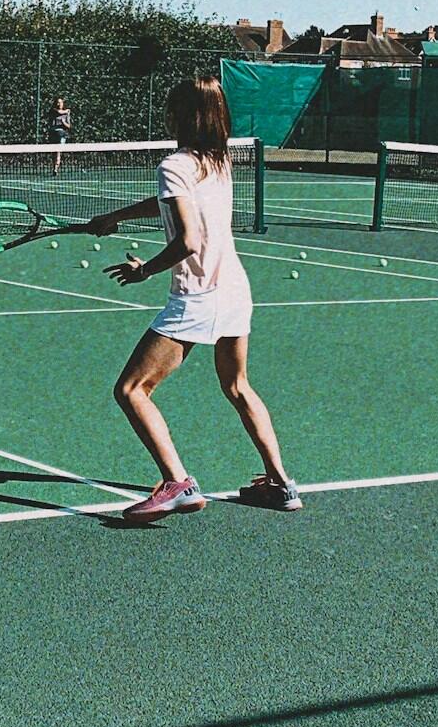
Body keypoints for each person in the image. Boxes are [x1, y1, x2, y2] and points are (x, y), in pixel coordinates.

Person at [85, 75, 301, 522]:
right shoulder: (218, 161)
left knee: (131, 389)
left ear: (180, 115)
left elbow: (188, 239)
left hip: (198, 296)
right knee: (238, 387)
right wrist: (117, 217)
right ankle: (281, 483)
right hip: (237, 291)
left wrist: (144, 269)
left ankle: (177, 483)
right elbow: (174, 202)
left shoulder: (174, 165)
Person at [47, 94, 73, 175]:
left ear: (63, 103)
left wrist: (64, 123)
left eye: (61, 102)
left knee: (58, 152)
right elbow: (59, 112)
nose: (59, 104)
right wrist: (67, 111)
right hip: (53, 133)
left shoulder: (66, 114)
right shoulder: (53, 110)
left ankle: (55, 169)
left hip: (61, 134)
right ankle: (54, 167)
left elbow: (69, 126)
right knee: (53, 152)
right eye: (58, 102)